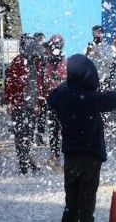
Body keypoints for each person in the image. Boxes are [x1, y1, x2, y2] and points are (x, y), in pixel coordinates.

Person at [47, 54, 116, 222]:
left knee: (71, 204)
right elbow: (115, 99)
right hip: (89, 155)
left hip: (70, 154)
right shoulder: (89, 97)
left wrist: (66, 86)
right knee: (86, 206)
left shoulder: (63, 94)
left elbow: (52, 98)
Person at [5, 35, 45, 174]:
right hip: (20, 103)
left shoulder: (35, 63)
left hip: (31, 104)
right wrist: (10, 101)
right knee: (21, 134)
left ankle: (26, 159)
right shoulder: (17, 62)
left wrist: (38, 102)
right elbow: (10, 83)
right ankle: (24, 162)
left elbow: (39, 86)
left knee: (28, 133)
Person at [43, 34, 67, 169]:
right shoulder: (55, 60)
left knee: (56, 129)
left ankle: (56, 155)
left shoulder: (58, 60)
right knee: (58, 129)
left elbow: (51, 79)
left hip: (57, 96)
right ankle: (56, 155)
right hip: (59, 96)